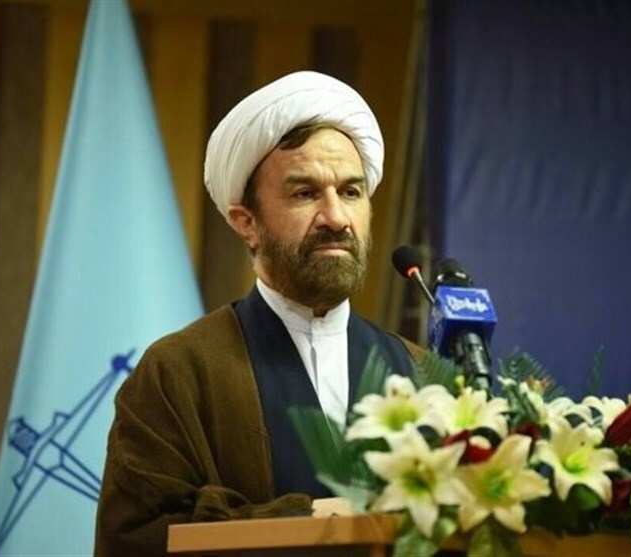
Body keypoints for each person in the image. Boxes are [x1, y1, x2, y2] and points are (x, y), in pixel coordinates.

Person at [94, 71, 424, 556]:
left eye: (351, 192)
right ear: (246, 222)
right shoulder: (178, 373)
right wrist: (310, 519)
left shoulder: (418, 370)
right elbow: (138, 539)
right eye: (305, 193)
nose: (336, 217)